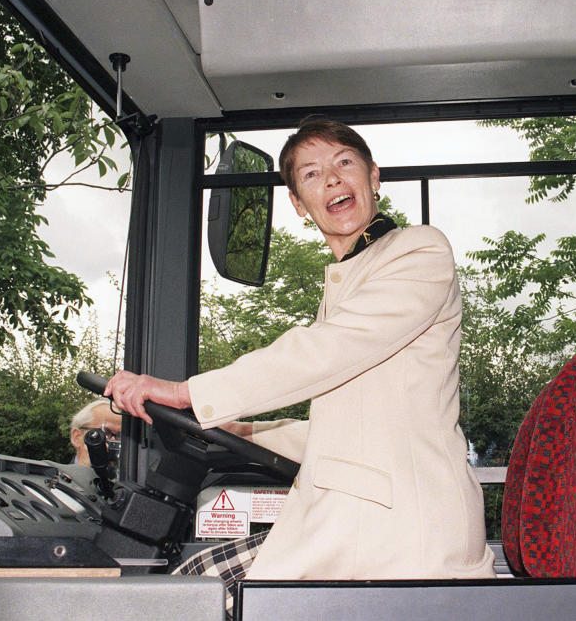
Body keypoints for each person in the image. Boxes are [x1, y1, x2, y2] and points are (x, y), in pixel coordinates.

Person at [105, 119, 495, 614]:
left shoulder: (419, 250)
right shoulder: (350, 280)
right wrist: (239, 429)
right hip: (361, 522)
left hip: (400, 535)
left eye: (344, 163)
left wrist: (187, 394)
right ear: (298, 202)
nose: (331, 179)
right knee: (187, 583)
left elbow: (324, 351)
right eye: (311, 174)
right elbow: (342, 430)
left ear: (374, 177)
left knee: (177, 598)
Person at [69, 398, 122, 466]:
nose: (113, 441)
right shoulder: (57, 474)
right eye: (105, 433)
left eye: (119, 436)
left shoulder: (126, 475)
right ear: (77, 437)